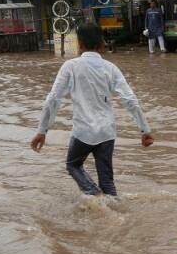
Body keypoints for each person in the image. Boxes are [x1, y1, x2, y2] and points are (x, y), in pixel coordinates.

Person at [31, 22, 154, 197]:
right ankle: (114, 210)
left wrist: (42, 131)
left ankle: (93, 193)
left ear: (79, 44)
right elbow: (130, 100)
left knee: (73, 164)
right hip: (106, 132)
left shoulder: (71, 66)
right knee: (107, 181)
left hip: (83, 131)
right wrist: (145, 130)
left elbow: (53, 99)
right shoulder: (111, 68)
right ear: (102, 44)